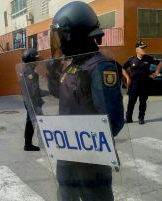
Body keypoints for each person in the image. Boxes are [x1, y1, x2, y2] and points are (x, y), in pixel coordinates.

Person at [48, 2, 124, 200]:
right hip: (67, 153)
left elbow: (112, 120)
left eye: (60, 36)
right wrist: (52, 71)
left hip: (91, 159)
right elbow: (60, 95)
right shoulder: (73, 65)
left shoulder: (99, 67)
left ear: (75, 34)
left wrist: (84, 141)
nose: (59, 42)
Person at [122, 42, 162, 125]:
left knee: (143, 102)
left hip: (145, 84)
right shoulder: (131, 59)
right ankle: (128, 118)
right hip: (134, 85)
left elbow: (159, 63)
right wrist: (127, 77)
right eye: (142, 48)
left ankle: (141, 118)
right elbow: (123, 68)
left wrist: (155, 73)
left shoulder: (148, 58)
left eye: (144, 48)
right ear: (137, 50)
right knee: (131, 102)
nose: (144, 49)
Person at [21, 48, 42, 151]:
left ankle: (28, 143)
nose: (37, 61)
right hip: (32, 101)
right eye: (36, 59)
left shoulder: (25, 70)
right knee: (35, 122)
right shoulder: (30, 73)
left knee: (31, 121)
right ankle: (28, 144)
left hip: (28, 100)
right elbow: (33, 90)